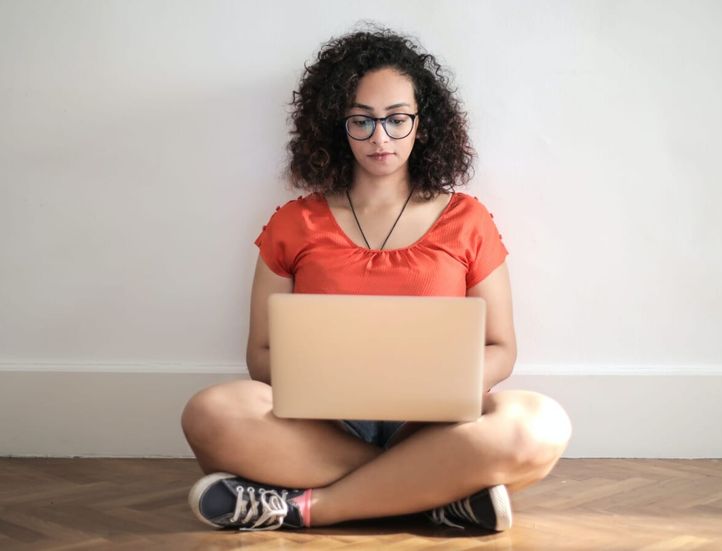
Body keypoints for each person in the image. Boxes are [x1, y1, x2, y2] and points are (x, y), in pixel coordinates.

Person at [180, 24, 573, 533]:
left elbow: (500, 348)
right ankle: (433, 494)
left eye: (396, 119)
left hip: (433, 425)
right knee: (210, 412)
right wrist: (332, 384)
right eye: (361, 121)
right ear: (337, 127)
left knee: (539, 425)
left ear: (423, 124)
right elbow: (260, 355)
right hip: (323, 425)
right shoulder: (293, 222)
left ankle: (304, 507)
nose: (380, 138)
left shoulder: (468, 220)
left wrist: (437, 387)